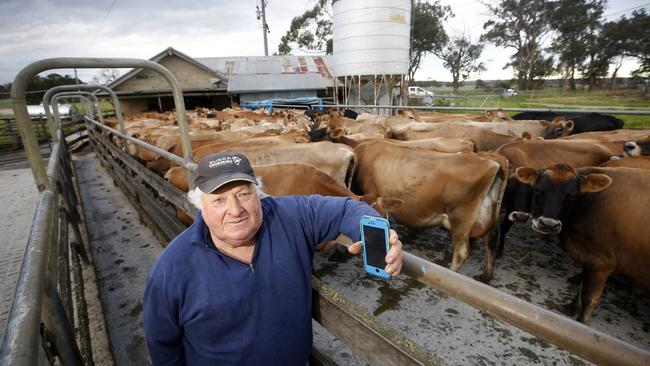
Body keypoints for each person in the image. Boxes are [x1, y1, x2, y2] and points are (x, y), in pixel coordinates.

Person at [143, 151, 404, 365]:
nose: (235, 210)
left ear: (259, 193)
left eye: (244, 194)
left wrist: (379, 236)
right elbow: (163, 345)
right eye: (219, 200)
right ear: (201, 205)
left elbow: (347, 208)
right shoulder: (172, 269)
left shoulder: (289, 215)